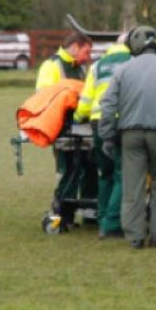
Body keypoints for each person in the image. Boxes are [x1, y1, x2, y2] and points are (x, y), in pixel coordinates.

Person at [98, 26, 156, 249]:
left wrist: (108, 136)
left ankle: (135, 237)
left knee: (133, 185)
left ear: (134, 46)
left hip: (129, 134)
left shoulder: (122, 70)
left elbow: (108, 105)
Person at [73, 34, 131, 239]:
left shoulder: (97, 66)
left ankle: (102, 219)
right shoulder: (132, 62)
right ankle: (112, 224)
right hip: (122, 121)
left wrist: (78, 118)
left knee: (104, 173)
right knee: (122, 174)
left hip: (98, 122)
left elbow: (86, 99)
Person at [36, 31, 95, 223]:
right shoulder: (52, 66)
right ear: (75, 46)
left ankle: (89, 213)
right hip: (63, 130)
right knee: (69, 170)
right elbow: (43, 97)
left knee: (88, 167)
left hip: (81, 128)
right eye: (87, 51)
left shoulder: (79, 69)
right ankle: (62, 214)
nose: (89, 57)